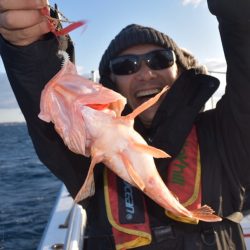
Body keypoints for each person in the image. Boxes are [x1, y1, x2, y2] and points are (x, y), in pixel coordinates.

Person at [0, 0, 249, 249]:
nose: (145, 73)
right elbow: (53, 102)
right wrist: (31, 46)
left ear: (181, 70)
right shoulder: (84, 150)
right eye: (125, 65)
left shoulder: (228, 132)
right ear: (112, 83)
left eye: (160, 59)